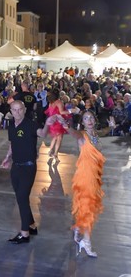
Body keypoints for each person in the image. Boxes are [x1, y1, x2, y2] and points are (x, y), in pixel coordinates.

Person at [1, 100, 53, 244]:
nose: (17, 112)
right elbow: (12, 143)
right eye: (14, 110)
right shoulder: (11, 125)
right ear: (11, 111)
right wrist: (7, 157)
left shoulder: (31, 124)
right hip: (16, 166)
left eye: (20, 110)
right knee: (20, 197)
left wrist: (48, 123)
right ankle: (31, 225)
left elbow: (42, 134)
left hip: (28, 167)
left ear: (24, 110)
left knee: (23, 198)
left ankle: (24, 234)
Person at [58, 110, 105, 257]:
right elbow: (73, 133)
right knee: (88, 207)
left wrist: (111, 126)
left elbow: (104, 132)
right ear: (82, 122)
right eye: (86, 118)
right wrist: (66, 127)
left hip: (95, 175)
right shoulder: (82, 135)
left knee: (88, 205)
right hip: (85, 176)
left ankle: (79, 228)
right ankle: (86, 242)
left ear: (94, 120)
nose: (89, 120)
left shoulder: (95, 135)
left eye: (91, 117)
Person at [44, 88, 69, 162]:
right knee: (59, 139)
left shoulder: (51, 103)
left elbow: (50, 112)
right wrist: (70, 111)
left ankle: (50, 151)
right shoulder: (59, 102)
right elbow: (61, 112)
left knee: (55, 137)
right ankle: (55, 154)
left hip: (52, 122)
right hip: (58, 122)